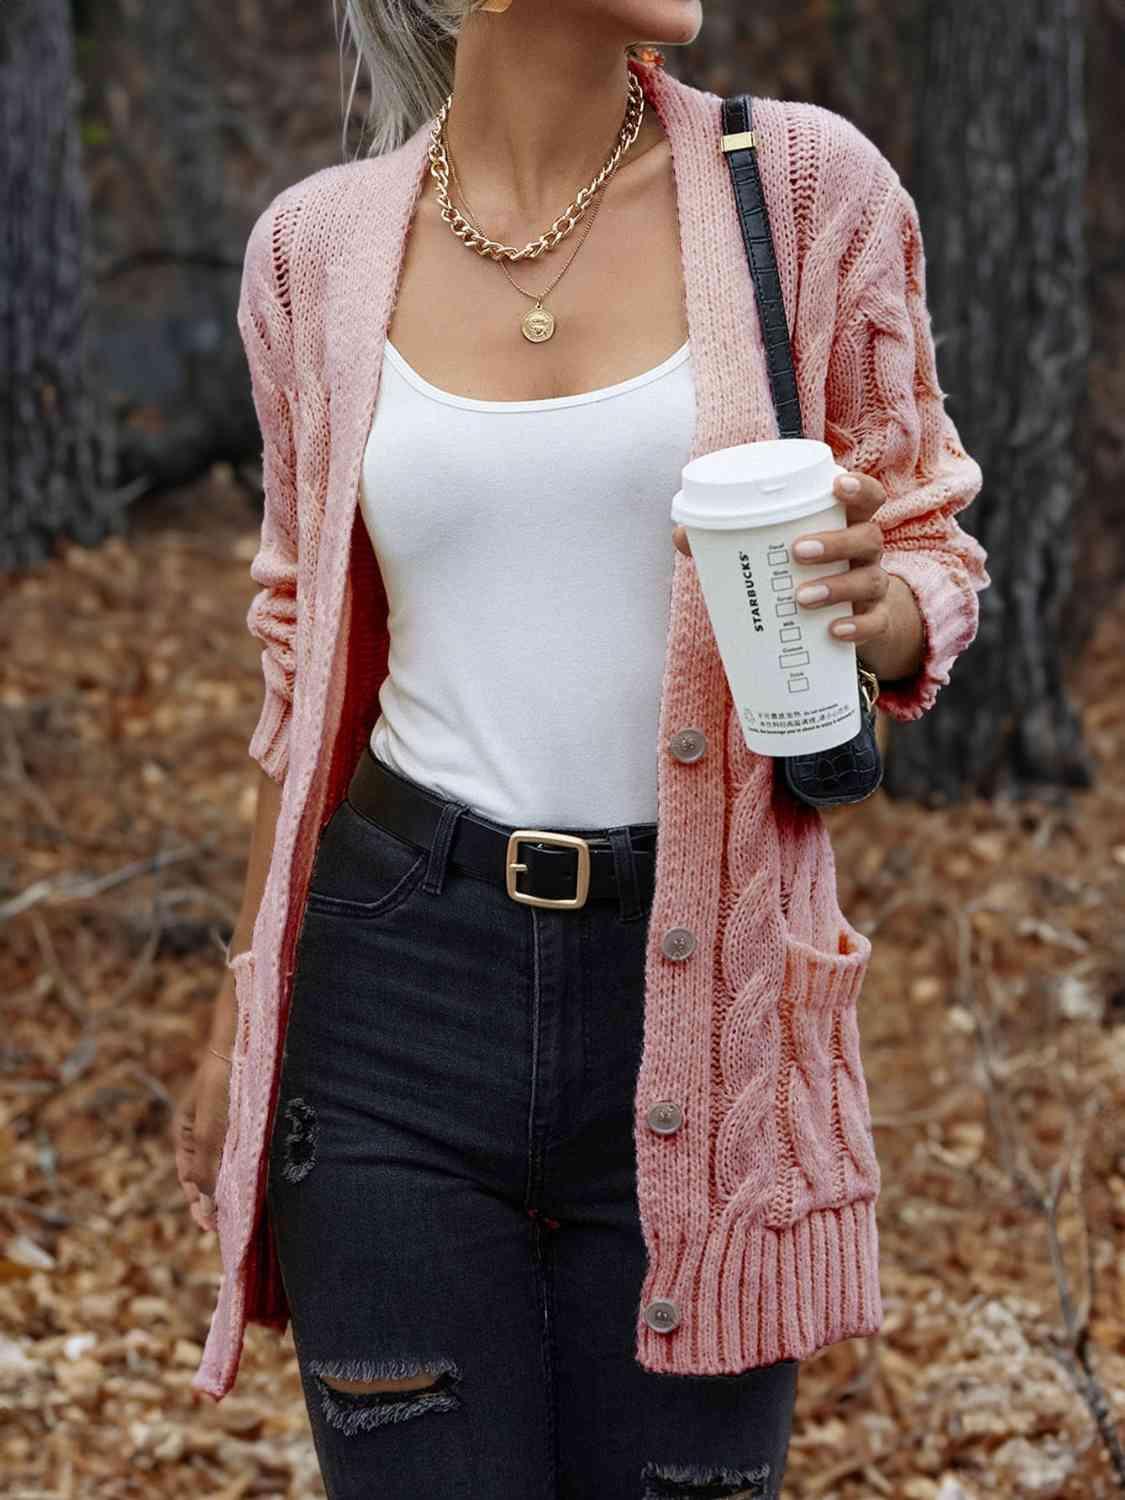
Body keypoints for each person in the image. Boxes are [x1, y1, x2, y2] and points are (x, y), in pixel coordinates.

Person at [173, 2, 990, 1496]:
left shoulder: (803, 190)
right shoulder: (316, 250)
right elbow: (304, 668)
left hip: (711, 999)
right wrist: (246, 1006)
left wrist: (883, 612)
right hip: (391, 998)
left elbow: (931, 533)